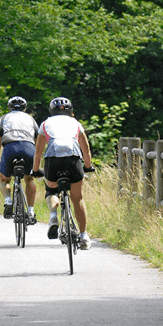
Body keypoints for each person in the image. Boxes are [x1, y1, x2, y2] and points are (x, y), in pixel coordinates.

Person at [30, 97, 95, 250]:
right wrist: (88, 166)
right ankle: (84, 236)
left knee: (52, 190)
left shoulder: (45, 124)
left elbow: (38, 152)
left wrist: (35, 170)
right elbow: (85, 149)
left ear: (51, 111)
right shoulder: (76, 123)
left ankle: (53, 217)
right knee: (77, 197)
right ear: (71, 111)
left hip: (53, 161)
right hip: (73, 160)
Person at [0, 96, 39, 224]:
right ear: (24, 108)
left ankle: (8, 201)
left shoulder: (3, 119)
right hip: (28, 147)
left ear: (9, 107)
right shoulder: (31, 119)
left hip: (10, 147)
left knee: (5, 179)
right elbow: (37, 142)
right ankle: (31, 211)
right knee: (29, 178)